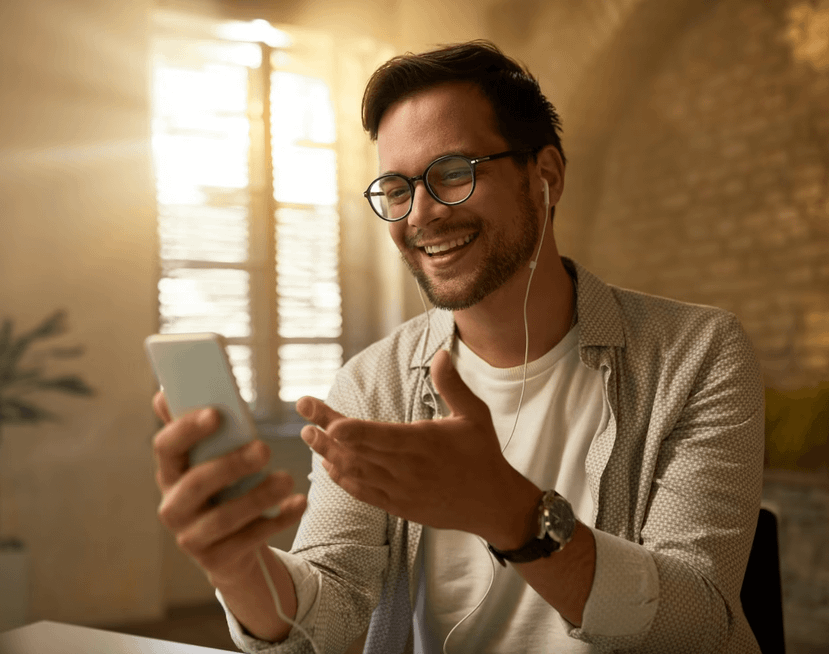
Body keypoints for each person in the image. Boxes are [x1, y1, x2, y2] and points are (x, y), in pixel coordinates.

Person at [152, 40, 765, 653]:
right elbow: (329, 612)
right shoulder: (373, 383)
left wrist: (508, 512)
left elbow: (698, 622)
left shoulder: (697, 354)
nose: (420, 214)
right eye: (397, 189)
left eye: (452, 173)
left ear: (546, 176)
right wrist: (237, 567)